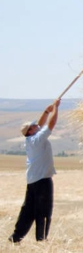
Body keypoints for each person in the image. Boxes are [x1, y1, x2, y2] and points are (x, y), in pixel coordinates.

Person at [9, 100, 60, 243]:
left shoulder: (30, 139)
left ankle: (16, 237)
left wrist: (46, 111)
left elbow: (41, 124)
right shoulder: (37, 139)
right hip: (42, 180)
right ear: (30, 131)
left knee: (28, 210)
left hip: (32, 180)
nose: (37, 126)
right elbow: (51, 124)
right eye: (34, 126)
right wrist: (55, 108)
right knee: (44, 210)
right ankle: (41, 239)